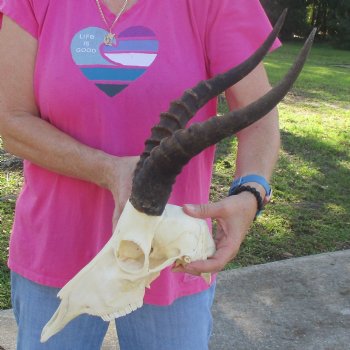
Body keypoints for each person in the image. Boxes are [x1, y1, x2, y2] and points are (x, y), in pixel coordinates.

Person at [0, 0, 280, 349]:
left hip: (169, 254)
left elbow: (259, 118)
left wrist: (250, 192)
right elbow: (12, 121)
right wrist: (109, 170)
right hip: (56, 249)